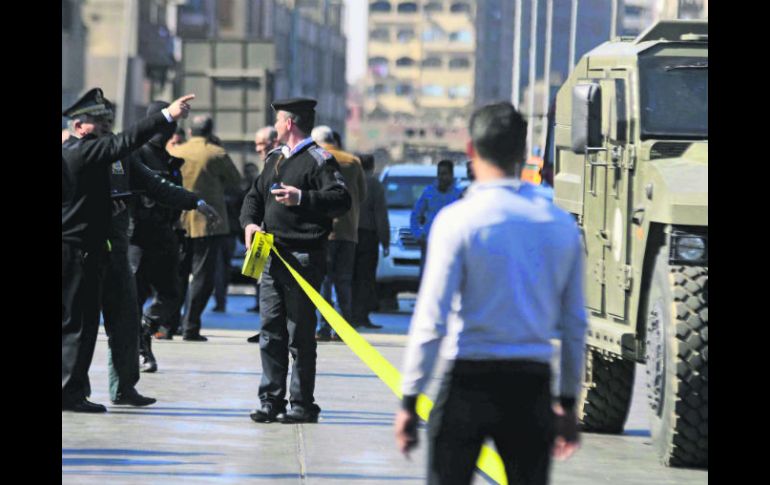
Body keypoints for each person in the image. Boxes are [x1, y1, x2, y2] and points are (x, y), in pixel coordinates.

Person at [394, 102, 588, 485]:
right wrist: (567, 402)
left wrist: (409, 400)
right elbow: (575, 325)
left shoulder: (457, 221)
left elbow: (431, 320)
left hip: (467, 381)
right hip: (531, 386)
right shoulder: (559, 223)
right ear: (523, 153)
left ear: (470, 150)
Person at [62, 88, 194, 412]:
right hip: (85, 246)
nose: (106, 124)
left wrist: (195, 201)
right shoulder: (78, 153)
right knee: (80, 325)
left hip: (114, 246)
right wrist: (166, 116)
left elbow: (153, 184)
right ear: (80, 126)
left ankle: (123, 387)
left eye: (108, 118)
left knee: (123, 320)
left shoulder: (117, 154)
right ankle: (72, 391)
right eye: (98, 120)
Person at [240, 97, 351, 424]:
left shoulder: (320, 159)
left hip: (303, 259)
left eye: (278, 121)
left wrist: (302, 197)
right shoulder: (274, 158)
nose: (275, 126)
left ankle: (302, 404)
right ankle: (270, 400)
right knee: (269, 330)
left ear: (289, 123)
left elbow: (340, 199)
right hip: (271, 257)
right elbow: (253, 198)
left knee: (299, 334)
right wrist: (249, 223)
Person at [128, 101, 220, 373]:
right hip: (137, 237)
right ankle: (136, 352)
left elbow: (169, 192)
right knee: (134, 296)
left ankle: (145, 330)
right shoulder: (136, 155)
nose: (167, 132)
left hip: (164, 235)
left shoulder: (169, 159)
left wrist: (195, 204)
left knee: (171, 294)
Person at [169, 115, 242, 341]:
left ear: (190, 132)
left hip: (178, 220)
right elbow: (235, 180)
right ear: (211, 132)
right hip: (208, 223)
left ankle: (169, 324)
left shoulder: (176, 151)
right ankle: (191, 326)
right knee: (203, 276)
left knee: (177, 274)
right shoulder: (216, 153)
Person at [311, 125, 367, 341]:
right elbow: (361, 195)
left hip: (321, 231)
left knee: (323, 280)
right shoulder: (353, 161)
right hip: (348, 230)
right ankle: (343, 327)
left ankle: (322, 327)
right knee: (343, 280)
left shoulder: (314, 158)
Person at [351, 153, 390, 329]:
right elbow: (380, 215)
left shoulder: (349, 181)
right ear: (372, 167)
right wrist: (385, 240)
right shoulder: (375, 184)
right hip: (368, 236)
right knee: (366, 278)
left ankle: (349, 314)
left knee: (349, 277)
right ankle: (362, 316)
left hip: (350, 235)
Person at [409, 160, 463, 278]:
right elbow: (415, 215)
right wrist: (418, 235)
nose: (441, 177)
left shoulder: (458, 195)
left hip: (450, 244)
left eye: (444, 174)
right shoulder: (428, 192)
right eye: (439, 174)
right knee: (426, 278)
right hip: (429, 243)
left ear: (451, 175)